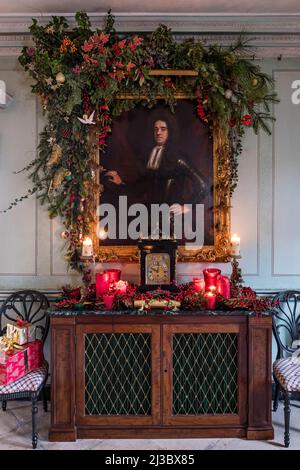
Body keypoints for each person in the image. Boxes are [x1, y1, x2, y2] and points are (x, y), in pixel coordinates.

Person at [105, 115, 208, 217]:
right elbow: (142, 187)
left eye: (163, 129)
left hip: (171, 220)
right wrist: (121, 183)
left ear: (170, 131)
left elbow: (203, 185)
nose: (159, 133)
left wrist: (186, 207)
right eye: (156, 129)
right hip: (150, 218)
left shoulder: (179, 158)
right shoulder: (149, 156)